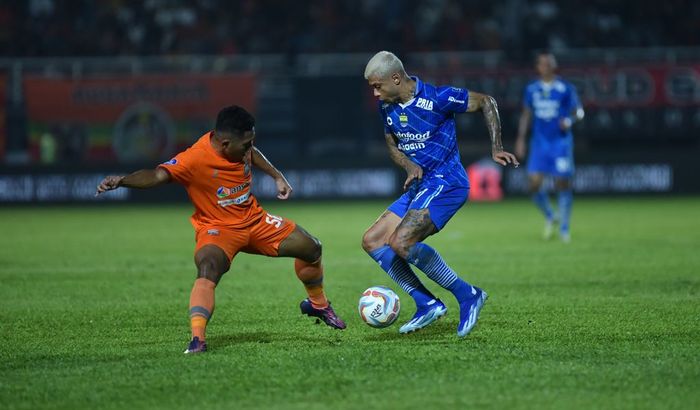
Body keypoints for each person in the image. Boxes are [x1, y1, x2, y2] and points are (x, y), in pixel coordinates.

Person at [96, 105, 346, 354]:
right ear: (225, 144)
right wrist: (122, 180)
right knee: (208, 268)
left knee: (311, 248)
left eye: (251, 142)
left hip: (255, 221)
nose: (249, 149)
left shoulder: (240, 146)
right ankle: (197, 340)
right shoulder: (195, 158)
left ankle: (318, 305)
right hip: (218, 229)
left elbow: (253, 153)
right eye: (246, 145)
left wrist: (276, 175)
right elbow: (156, 176)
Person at [361, 51, 518, 337]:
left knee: (401, 242)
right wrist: (408, 165)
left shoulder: (438, 98)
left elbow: (486, 101)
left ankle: (468, 294)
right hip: (421, 186)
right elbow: (392, 144)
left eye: (377, 85)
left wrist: (496, 147)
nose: (374, 93)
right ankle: (427, 303)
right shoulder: (388, 107)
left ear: (396, 78)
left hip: (447, 183)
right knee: (372, 241)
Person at [515, 52, 584, 243]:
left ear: (554, 66)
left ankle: (564, 228)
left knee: (562, 183)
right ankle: (550, 215)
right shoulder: (532, 89)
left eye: (549, 63)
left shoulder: (565, 88)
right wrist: (520, 139)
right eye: (542, 63)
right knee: (534, 185)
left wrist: (569, 120)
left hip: (560, 143)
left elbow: (579, 111)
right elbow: (526, 115)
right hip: (539, 144)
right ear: (538, 67)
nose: (546, 66)